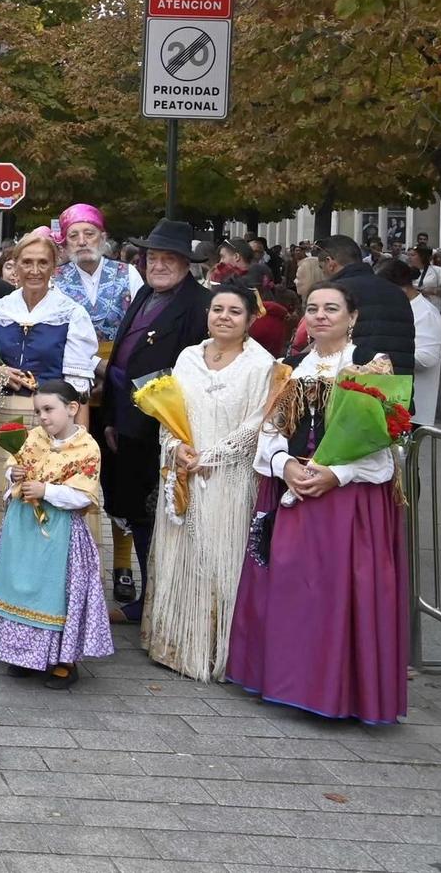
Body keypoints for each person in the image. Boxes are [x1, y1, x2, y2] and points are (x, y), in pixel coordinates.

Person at [225, 283, 409, 724]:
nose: (321, 316)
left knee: (335, 591)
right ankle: (286, 680)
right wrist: (285, 463)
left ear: (353, 317)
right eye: (313, 309)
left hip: (347, 498)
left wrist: (336, 473)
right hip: (292, 485)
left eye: (332, 308)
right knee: (290, 586)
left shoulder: (370, 370)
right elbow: (268, 429)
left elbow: (384, 446)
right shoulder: (289, 368)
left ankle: (335, 691)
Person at [138, 286, 282, 682]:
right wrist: (178, 446)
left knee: (221, 554)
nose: (223, 317)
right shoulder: (188, 356)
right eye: (217, 309)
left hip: (228, 475)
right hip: (184, 467)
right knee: (181, 550)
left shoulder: (261, 364)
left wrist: (215, 455)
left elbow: (259, 421)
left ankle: (216, 651)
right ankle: (175, 644)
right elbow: (172, 409)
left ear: (251, 319)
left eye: (234, 312)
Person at [100, 219, 213, 616]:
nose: (159, 265)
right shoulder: (145, 294)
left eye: (169, 259)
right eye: (153, 258)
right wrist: (114, 419)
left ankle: (159, 601)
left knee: (159, 515)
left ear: (187, 264)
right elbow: (121, 364)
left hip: (163, 428)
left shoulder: (198, 307)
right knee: (135, 511)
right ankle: (148, 597)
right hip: (125, 420)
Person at [0, 380, 114, 688]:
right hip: (23, 527)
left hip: (59, 532)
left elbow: (84, 496)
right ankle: (22, 653)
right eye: (38, 411)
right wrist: (15, 474)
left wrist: (46, 490)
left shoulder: (86, 447)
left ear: (72, 408)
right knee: (19, 585)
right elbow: (12, 464)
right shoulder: (33, 437)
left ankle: (63, 660)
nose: (43, 417)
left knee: (56, 592)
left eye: (49, 409)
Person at [0, 230, 97, 562]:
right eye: (27, 262)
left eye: (43, 262)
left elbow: (78, 388)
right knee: (1, 506)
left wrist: (77, 437)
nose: (34, 270)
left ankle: (40, 592)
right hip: (0, 417)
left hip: (49, 421)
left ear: (54, 266)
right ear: (14, 266)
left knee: (44, 504)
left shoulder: (71, 313)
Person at [310, 235, 414, 373]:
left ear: (330, 263)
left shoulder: (334, 293)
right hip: (397, 384)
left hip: (351, 383)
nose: (322, 273)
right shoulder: (397, 292)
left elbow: (322, 342)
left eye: (321, 267)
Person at [54, 205, 144, 351]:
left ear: (102, 238)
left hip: (119, 362)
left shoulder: (127, 273)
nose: (82, 242)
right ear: (65, 243)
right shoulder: (54, 278)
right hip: (69, 364)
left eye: (89, 234)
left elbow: (141, 323)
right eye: (73, 236)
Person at [377, 257, 441, 427]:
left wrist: (381, 354)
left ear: (399, 288)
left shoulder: (426, 313)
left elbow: (427, 358)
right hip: (392, 400)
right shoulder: (396, 309)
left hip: (414, 409)